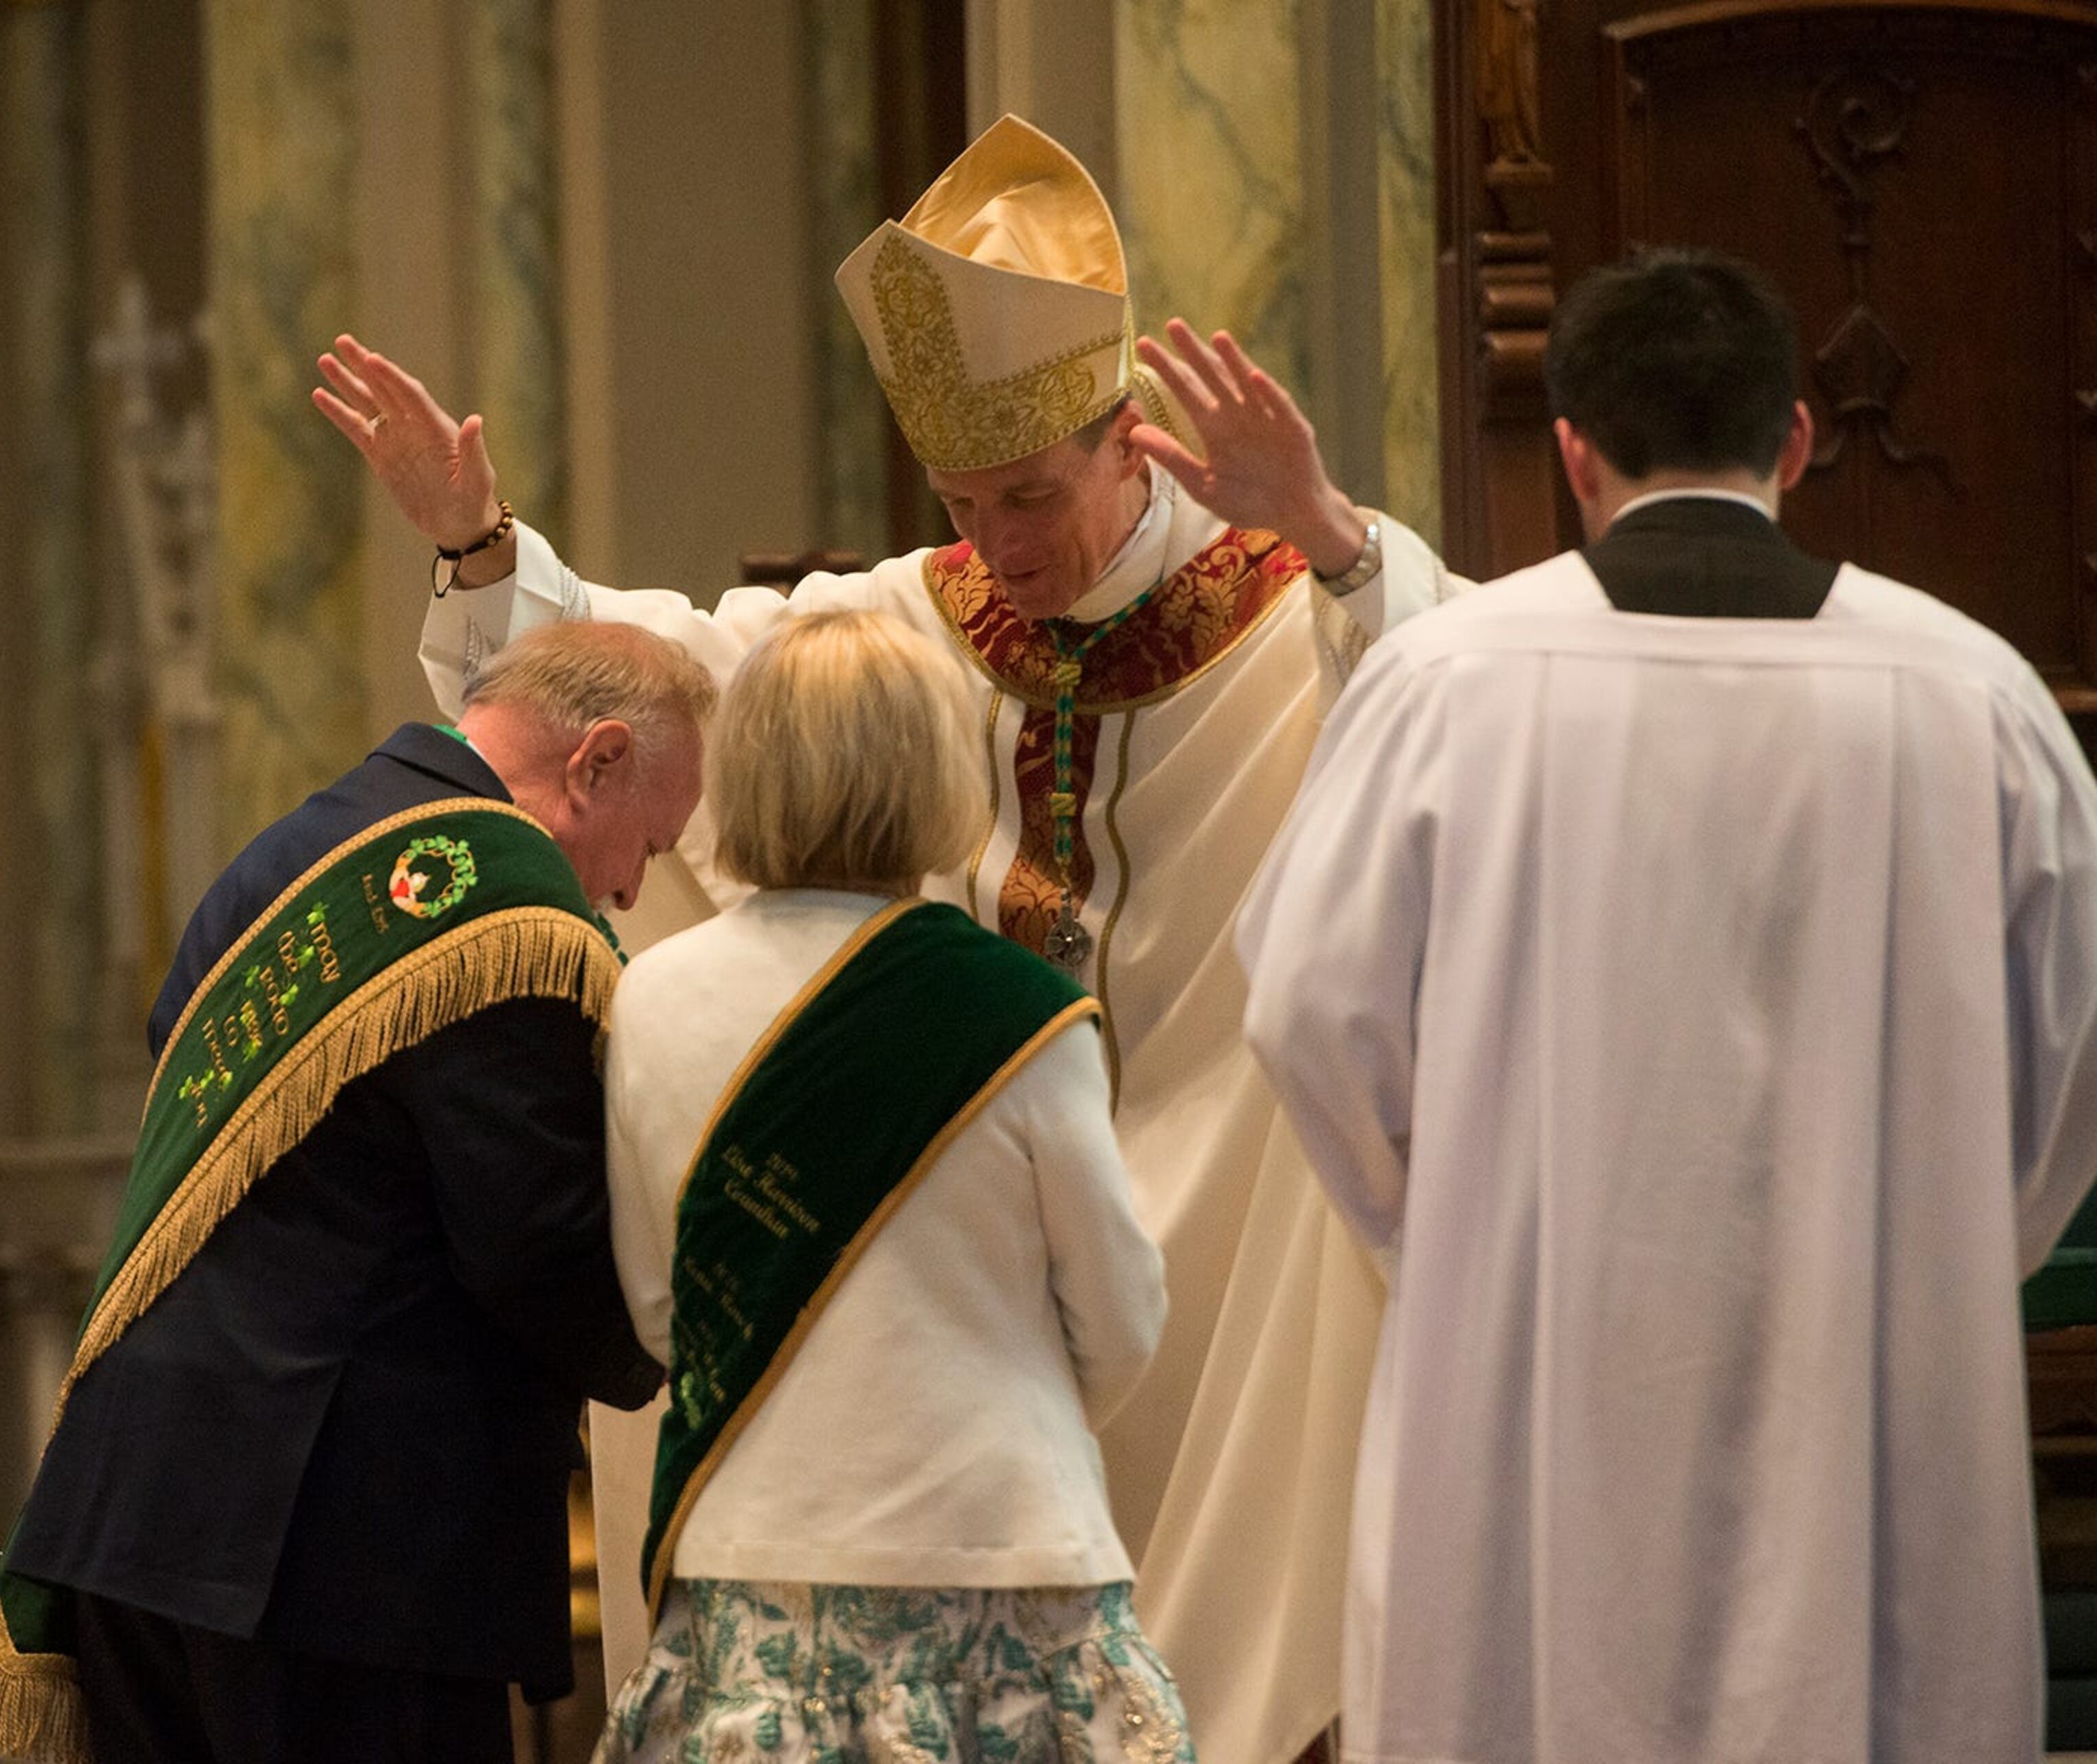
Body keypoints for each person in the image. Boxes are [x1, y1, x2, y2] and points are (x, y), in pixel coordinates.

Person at [317, 113, 1469, 1764]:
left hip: (1224, 1261)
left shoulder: (1295, 611)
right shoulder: (915, 621)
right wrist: (483, 555)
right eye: (959, 499)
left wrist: (1343, 543)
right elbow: (656, 677)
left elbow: (1470, 732)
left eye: (1029, 495)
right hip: (965, 1276)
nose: (996, 545)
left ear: (1129, 441)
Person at [1236, 246, 2097, 1764]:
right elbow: (2066, 1070)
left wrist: (1453, 1223)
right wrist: (1936, 1243)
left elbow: (1308, 1008)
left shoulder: (1448, 690)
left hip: (1529, 1367)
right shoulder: (1979, 701)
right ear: (1796, 442)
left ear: (1573, 453)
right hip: (1877, 1382)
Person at [0, 622, 715, 1764]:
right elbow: (536, 1250)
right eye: (647, 843)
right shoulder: (497, 902)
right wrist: (702, 1341)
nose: (627, 885)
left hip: (141, 1511)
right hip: (334, 1561)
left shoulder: (284, 854)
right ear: (595, 759)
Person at [599, 611, 1182, 1763]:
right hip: (1003, 1555)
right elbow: (1122, 1320)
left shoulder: (650, 994)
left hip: (751, 1567)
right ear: (935, 768)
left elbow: (660, 1310)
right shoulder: (1017, 1009)